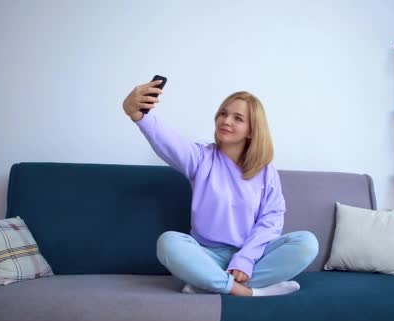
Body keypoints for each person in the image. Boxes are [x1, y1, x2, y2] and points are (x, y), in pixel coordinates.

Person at [122, 79, 319, 296]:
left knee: (306, 242)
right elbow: (169, 142)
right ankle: (248, 291)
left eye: (238, 118)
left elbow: (271, 220)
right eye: (223, 113)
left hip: (251, 256)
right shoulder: (200, 158)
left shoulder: (265, 171)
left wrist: (245, 258)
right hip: (206, 255)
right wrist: (139, 116)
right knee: (168, 242)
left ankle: (207, 283)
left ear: (252, 131)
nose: (226, 120)